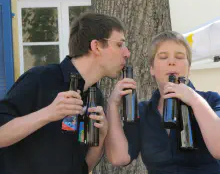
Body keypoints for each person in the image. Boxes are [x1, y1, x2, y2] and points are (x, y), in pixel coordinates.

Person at [0, 12, 130, 174]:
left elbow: (82, 168)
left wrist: (100, 139)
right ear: (96, 46)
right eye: (120, 44)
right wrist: (49, 113)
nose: (127, 53)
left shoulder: (95, 97)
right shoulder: (39, 79)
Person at [105, 31, 220, 174]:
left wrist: (194, 100)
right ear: (152, 69)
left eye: (180, 57)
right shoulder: (144, 111)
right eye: (163, 57)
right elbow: (119, 158)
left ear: (189, 68)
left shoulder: (212, 101)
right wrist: (112, 105)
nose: (171, 62)